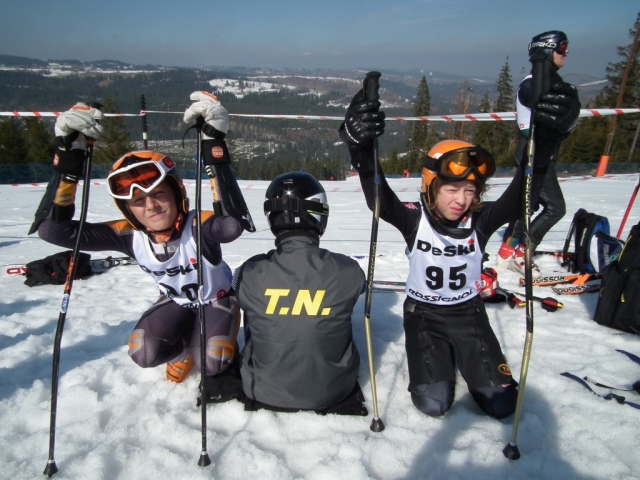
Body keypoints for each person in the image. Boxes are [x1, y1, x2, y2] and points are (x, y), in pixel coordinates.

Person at [338, 73, 579, 418]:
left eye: (470, 190)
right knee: (433, 403)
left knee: (501, 403)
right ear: (430, 187)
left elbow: (521, 197)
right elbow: (379, 198)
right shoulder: (414, 219)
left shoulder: (479, 220)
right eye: (451, 189)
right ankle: (442, 357)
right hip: (423, 314)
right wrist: (361, 149)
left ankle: (463, 355)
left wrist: (545, 147)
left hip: (469, 313)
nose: (461, 200)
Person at [30, 93, 254, 393]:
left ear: (176, 194)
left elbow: (231, 225)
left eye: (159, 194)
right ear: (127, 209)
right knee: (143, 352)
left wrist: (213, 146)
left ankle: (208, 343)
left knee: (213, 361)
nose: (151, 206)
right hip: (176, 300)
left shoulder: (196, 225)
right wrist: (69, 155)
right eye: (138, 201)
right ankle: (188, 347)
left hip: (217, 299)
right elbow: (53, 230)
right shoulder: (129, 234)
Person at [232, 171, 368, 416]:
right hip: (335, 390)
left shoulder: (248, 272)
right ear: (319, 214)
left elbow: (234, 289)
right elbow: (360, 286)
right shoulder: (348, 270)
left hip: (262, 390)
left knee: (255, 308)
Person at [498, 30, 580, 276]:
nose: (566, 53)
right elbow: (530, 94)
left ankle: (508, 250)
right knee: (555, 208)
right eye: (562, 47)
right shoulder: (533, 83)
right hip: (533, 154)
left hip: (540, 153)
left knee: (528, 205)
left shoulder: (548, 81)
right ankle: (522, 251)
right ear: (547, 50)